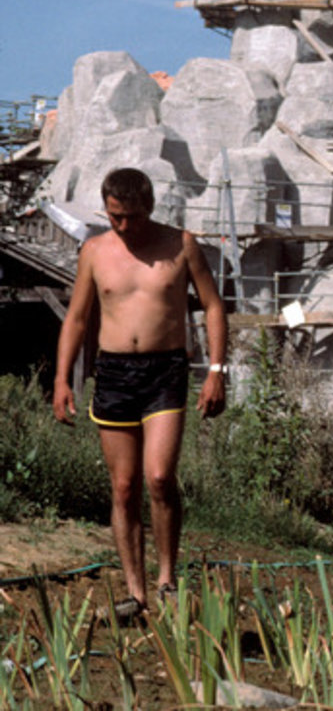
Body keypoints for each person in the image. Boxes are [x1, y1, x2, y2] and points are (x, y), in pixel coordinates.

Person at [51, 168, 229, 622]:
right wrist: (62, 379)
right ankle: (136, 593)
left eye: (130, 217)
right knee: (125, 486)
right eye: (114, 217)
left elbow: (212, 305)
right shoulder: (94, 251)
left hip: (165, 371)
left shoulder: (181, 244)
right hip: (113, 373)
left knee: (158, 477)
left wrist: (216, 371)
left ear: (148, 207)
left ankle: (167, 579)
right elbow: (75, 318)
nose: (123, 227)